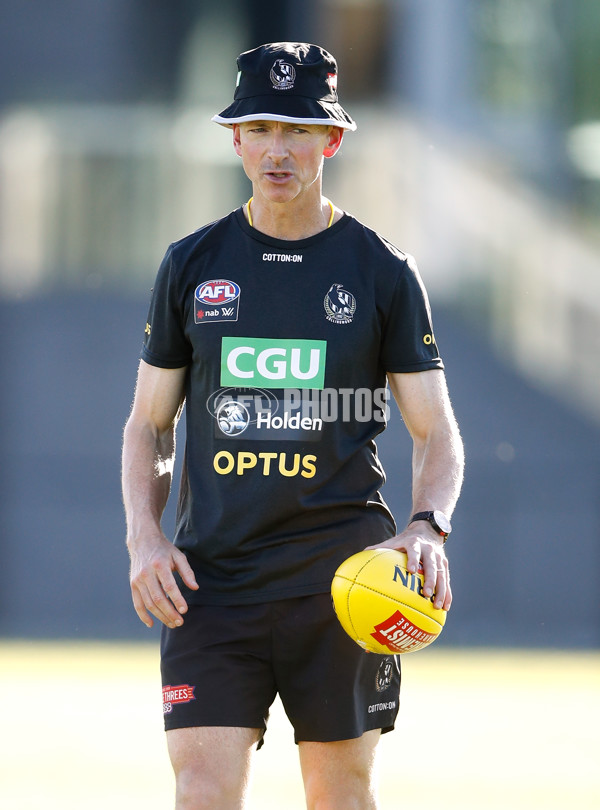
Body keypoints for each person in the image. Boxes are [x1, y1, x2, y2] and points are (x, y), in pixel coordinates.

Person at [122, 41, 464, 810]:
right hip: (213, 586)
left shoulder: (382, 271)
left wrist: (425, 528)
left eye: (300, 130)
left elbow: (436, 431)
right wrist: (145, 537)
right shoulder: (190, 263)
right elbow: (148, 426)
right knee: (202, 792)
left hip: (343, 588)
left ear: (332, 140)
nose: (279, 149)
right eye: (262, 128)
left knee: (339, 795)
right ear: (235, 139)